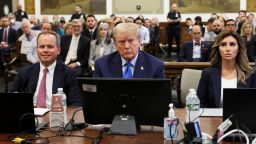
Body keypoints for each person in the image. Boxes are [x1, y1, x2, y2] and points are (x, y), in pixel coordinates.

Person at [11, 31, 83, 107]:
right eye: (41, 47)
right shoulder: (24, 72)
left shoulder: (69, 73)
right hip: (29, 115)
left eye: (50, 47)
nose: (45, 50)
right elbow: (12, 96)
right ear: (37, 50)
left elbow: (76, 103)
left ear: (58, 50)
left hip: (56, 115)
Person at [197, 30, 255, 108]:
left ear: (238, 49)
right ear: (218, 48)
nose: (228, 49)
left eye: (232, 44)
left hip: (242, 119)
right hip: (213, 119)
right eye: (223, 44)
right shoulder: (207, 74)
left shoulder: (250, 74)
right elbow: (199, 103)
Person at [93, 23, 164, 78]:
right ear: (115, 44)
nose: (126, 46)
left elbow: (160, 95)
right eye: (121, 41)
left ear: (139, 41)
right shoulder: (102, 65)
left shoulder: (155, 66)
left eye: (131, 41)